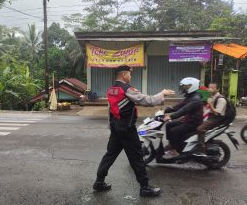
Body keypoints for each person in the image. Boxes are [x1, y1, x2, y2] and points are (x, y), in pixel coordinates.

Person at [92, 65, 175, 197]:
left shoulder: (112, 89)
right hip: (127, 129)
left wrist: (111, 127)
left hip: (116, 128)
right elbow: (146, 100)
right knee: (137, 158)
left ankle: (99, 182)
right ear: (124, 75)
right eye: (129, 74)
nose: (130, 77)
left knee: (110, 155)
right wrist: (162, 94)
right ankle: (145, 188)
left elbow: (111, 111)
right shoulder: (127, 89)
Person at [163, 77, 203, 159]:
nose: (183, 88)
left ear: (192, 86)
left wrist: (171, 116)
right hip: (188, 120)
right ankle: (171, 144)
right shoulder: (190, 96)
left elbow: (184, 110)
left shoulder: (196, 99)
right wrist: (167, 110)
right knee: (169, 125)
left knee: (174, 131)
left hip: (193, 123)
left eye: (185, 87)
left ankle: (174, 151)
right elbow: (180, 105)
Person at [194, 82, 227, 156]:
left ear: (218, 89)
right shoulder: (212, 96)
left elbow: (216, 113)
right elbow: (207, 109)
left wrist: (210, 104)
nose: (210, 89)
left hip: (216, 119)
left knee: (200, 129)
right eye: (209, 87)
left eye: (212, 88)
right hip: (211, 116)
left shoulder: (221, 99)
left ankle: (201, 150)